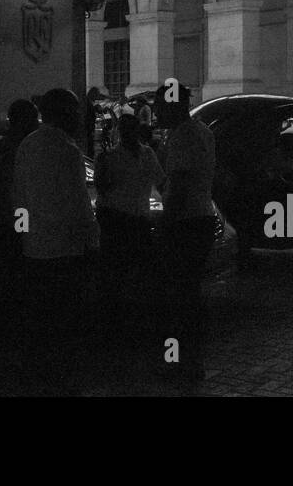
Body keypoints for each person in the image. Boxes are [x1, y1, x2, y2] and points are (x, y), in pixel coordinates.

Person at [13, 88, 99, 394]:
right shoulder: (67, 149)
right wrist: (93, 241)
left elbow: (19, 197)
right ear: (62, 113)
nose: (79, 117)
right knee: (65, 322)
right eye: (74, 111)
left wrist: (24, 235)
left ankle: (39, 375)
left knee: (39, 321)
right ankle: (62, 379)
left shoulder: (28, 145)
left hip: (35, 250)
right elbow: (79, 203)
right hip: (64, 251)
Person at [156, 82, 215, 382]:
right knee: (191, 294)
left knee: (178, 299)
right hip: (204, 216)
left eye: (159, 105)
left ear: (172, 105)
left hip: (185, 222)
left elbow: (178, 185)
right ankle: (192, 361)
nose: (156, 111)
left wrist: (165, 226)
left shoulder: (181, 136)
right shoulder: (203, 131)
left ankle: (177, 363)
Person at [94, 113, 166, 335]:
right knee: (132, 274)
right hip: (132, 219)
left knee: (121, 273)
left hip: (122, 220)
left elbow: (102, 188)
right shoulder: (145, 154)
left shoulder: (114, 157)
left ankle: (122, 320)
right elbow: (161, 182)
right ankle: (130, 320)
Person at [0, 99, 39, 304]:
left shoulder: (31, 148)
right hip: (14, 226)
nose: (37, 123)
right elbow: (7, 192)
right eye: (33, 118)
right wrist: (22, 228)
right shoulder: (7, 151)